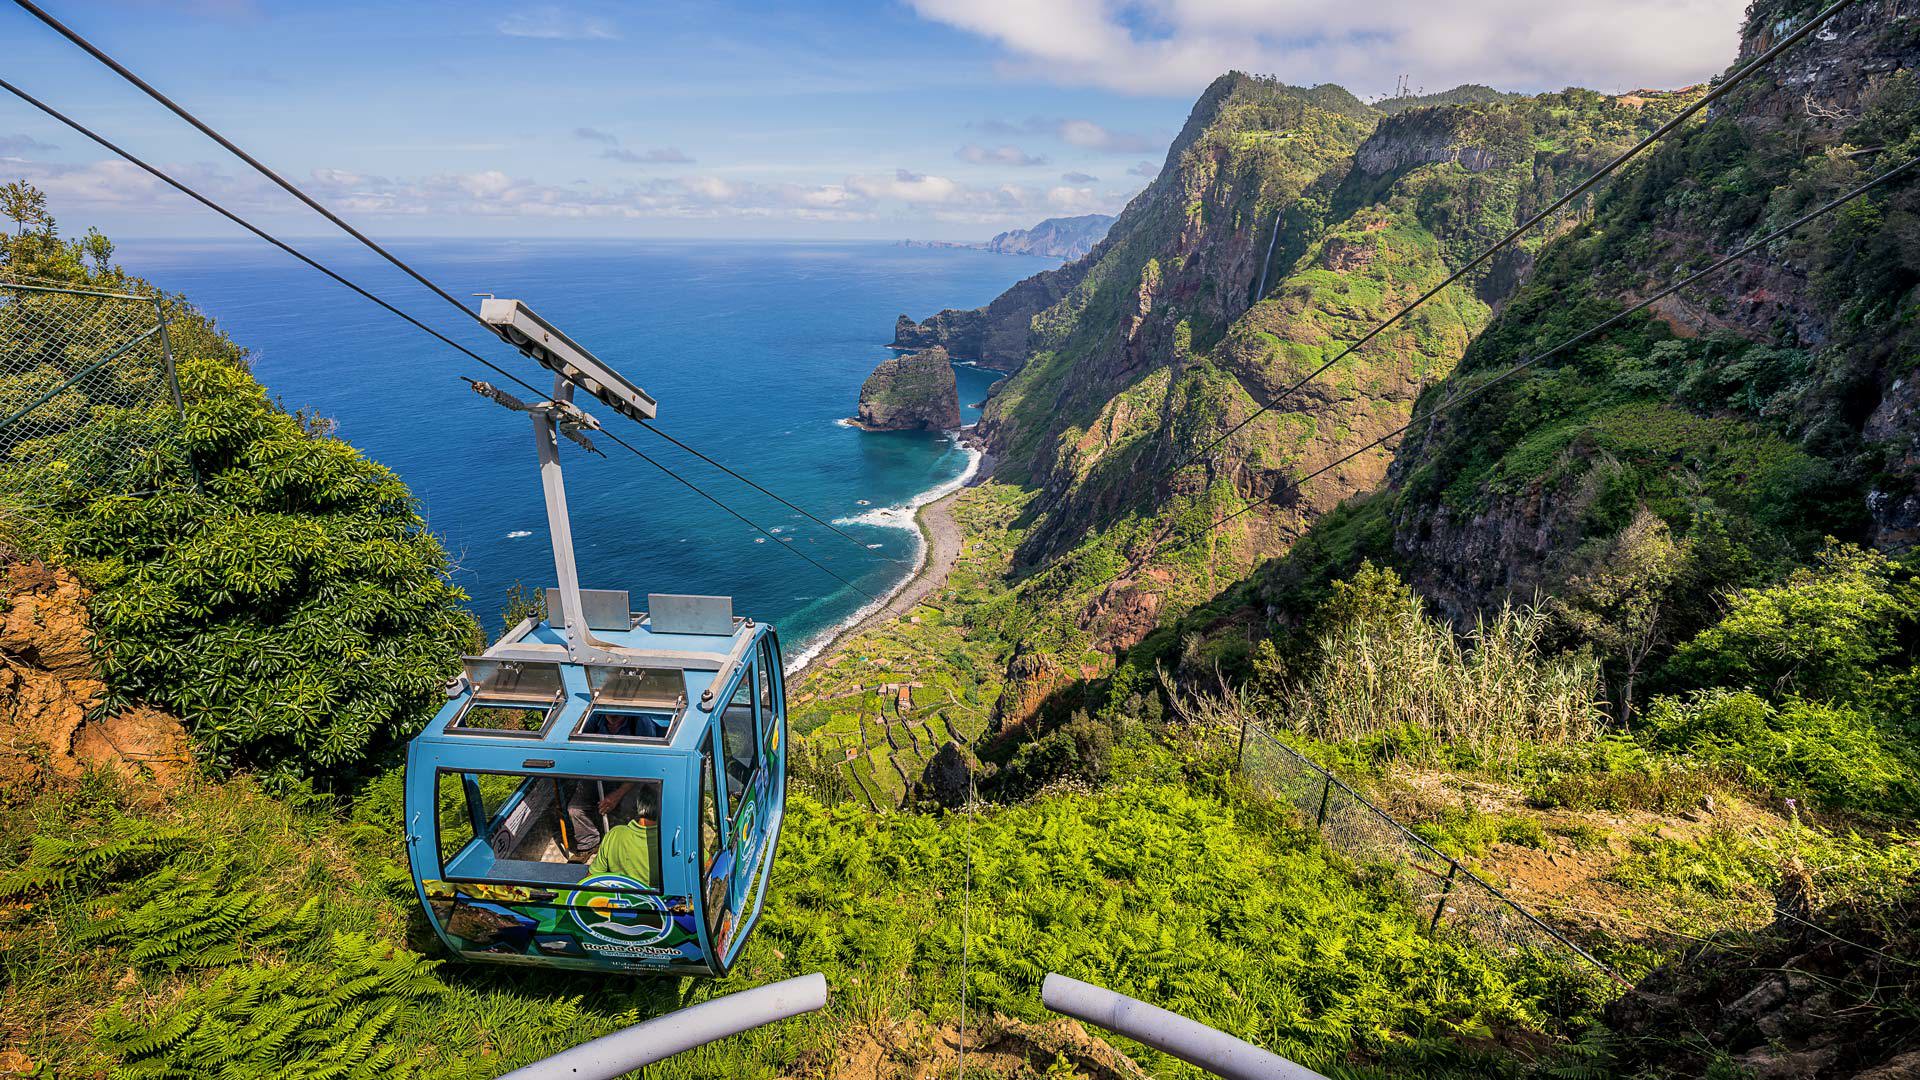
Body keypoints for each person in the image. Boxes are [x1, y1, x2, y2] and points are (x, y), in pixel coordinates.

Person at [588, 786, 660, 889]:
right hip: (658, 903)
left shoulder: (615, 834)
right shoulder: (670, 840)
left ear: (638, 804)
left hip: (621, 902)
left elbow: (591, 880)